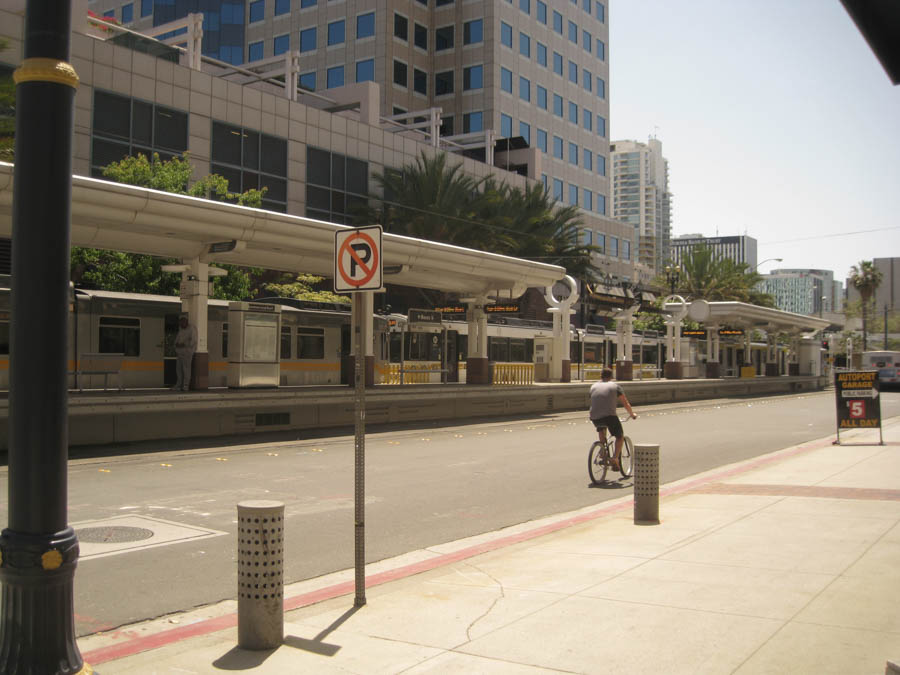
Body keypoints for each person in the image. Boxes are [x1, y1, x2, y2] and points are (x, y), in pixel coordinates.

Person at [589, 367, 637, 472]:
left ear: (601, 376)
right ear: (611, 376)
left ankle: (603, 452)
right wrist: (632, 414)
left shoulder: (593, 386)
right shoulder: (615, 386)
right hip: (609, 416)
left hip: (594, 416)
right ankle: (615, 458)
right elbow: (625, 403)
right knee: (619, 436)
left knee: (601, 428)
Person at [173, 314, 197, 392]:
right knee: (178, 369)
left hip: (187, 353)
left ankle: (185, 385)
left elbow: (193, 341)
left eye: (182, 321)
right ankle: (178, 385)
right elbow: (177, 339)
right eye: (180, 322)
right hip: (180, 353)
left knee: (186, 369)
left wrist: (184, 344)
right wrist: (176, 344)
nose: (181, 323)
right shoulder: (181, 329)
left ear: (186, 321)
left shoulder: (192, 329)